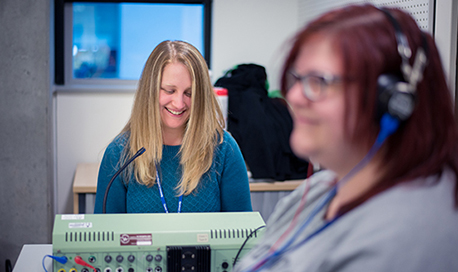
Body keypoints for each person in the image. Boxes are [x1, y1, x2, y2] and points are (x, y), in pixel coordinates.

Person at [233, 4, 458, 272]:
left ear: (391, 100)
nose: (292, 97)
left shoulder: (407, 235)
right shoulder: (319, 190)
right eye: (298, 78)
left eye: (319, 81)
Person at [94, 40, 252, 214]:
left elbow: (243, 234)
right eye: (169, 91)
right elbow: (106, 237)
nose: (179, 103)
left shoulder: (224, 149)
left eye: (189, 93)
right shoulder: (119, 153)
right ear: (150, 91)